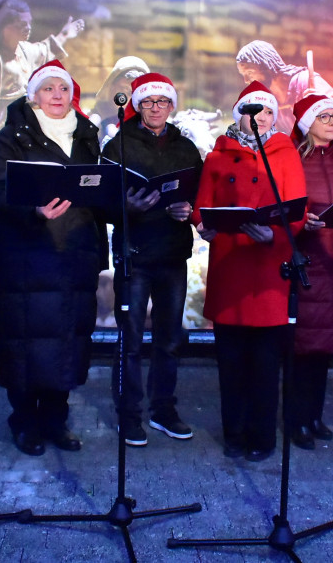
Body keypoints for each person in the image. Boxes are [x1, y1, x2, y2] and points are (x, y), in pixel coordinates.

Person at [0, 60, 107, 456]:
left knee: (67, 343)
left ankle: (56, 420)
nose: (58, 95)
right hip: (27, 256)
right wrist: (34, 211)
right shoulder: (12, 137)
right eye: (49, 89)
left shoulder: (88, 136)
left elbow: (97, 191)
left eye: (63, 88)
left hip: (75, 256)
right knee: (25, 343)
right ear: (33, 96)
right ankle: (24, 422)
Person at [192, 81, 307, 461]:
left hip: (269, 270)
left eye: (267, 111)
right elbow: (201, 207)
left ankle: (262, 436)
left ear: (275, 117)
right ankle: (234, 434)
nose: (258, 117)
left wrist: (272, 233)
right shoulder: (216, 157)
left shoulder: (286, 154)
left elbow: (298, 212)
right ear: (238, 115)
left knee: (264, 363)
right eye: (251, 110)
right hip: (230, 267)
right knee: (231, 363)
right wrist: (203, 225)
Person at [101, 73, 203, 446]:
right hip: (135, 254)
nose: (156, 108)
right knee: (129, 339)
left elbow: (198, 193)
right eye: (148, 102)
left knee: (169, 338)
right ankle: (128, 415)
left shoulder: (186, 148)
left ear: (171, 106)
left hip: (173, 252)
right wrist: (125, 206)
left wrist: (188, 210)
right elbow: (102, 203)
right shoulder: (118, 146)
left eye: (162, 102)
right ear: (137, 106)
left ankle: (164, 410)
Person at [288, 94, 333, 450]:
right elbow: (287, 210)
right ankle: (296, 418)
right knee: (303, 347)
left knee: (324, 348)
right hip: (309, 261)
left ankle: (314, 416)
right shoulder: (293, 159)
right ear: (307, 123)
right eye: (326, 116)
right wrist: (306, 223)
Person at [0, 0, 86, 147]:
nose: (28, 28)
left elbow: (45, 49)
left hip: (30, 119)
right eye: (22, 24)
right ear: (6, 27)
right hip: (4, 121)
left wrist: (64, 34)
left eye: (29, 23)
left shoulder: (26, 50)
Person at [235, 40, 333, 135]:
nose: (246, 80)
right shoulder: (267, 99)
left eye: (249, 73)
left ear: (266, 65)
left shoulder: (304, 81)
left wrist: (322, 106)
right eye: (243, 75)